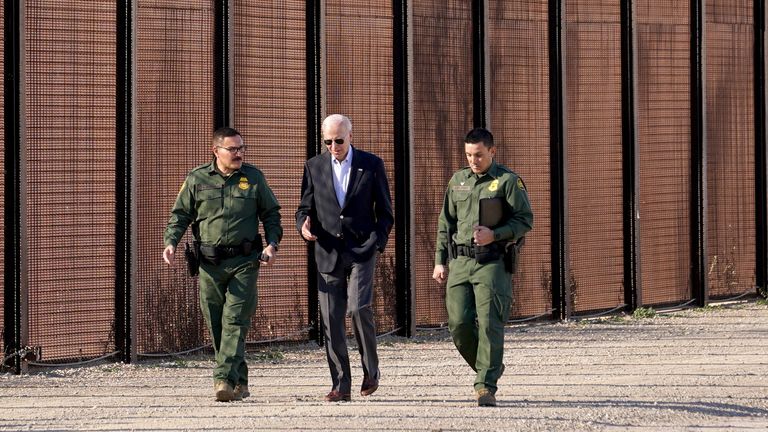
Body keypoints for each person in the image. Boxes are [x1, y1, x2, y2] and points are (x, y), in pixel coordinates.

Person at [162, 127, 282, 402]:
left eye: (242, 148)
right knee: (216, 323)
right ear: (216, 151)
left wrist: (272, 244)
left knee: (235, 320)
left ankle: (222, 379)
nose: (239, 153)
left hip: (245, 262)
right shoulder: (197, 178)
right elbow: (180, 214)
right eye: (233, 149)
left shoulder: (253, 178)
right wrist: (171, 242)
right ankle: (239, 380)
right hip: (209, 264)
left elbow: (271, 214)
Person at [296, 114, 394, 402]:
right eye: (328, 141)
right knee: (331, 317)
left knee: (359, 307)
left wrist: (378, 242)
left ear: (350, 136)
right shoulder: (314, 166)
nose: (334, 146)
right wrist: (303, 224)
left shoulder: (371, 164)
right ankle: (341, 383)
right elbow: (305, 207)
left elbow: (385, 211)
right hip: (327, 250)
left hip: (362, 249)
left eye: (339, 140)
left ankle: (371, 371)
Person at [432, 127, 533, 407]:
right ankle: (489, 366)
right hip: (460, 262)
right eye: (468, 155)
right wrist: (440, 261)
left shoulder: (507, 181)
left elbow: (525, 220)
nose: (473, 160)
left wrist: (496, 234)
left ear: (492, 151)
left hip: (492, 261)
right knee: (459, 323)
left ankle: (485, 385)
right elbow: (445, 223)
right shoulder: (458, 181)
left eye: (478, 155)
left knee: (489, 323)